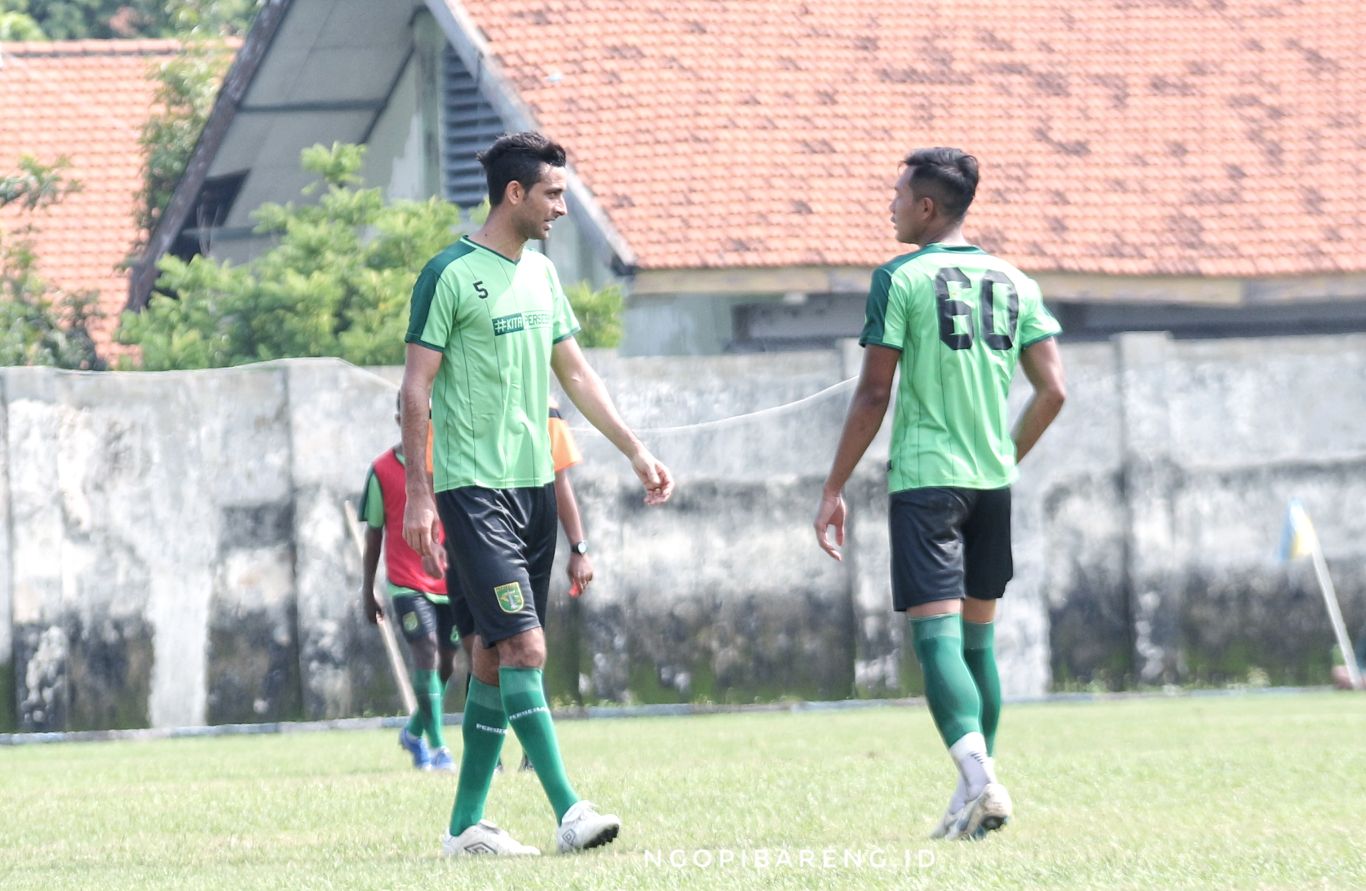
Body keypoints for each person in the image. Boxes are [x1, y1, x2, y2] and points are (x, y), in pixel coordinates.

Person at [400, 131, 673, 857]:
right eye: (552, 193)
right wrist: (419, 495)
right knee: (523, 643)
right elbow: (415, 390)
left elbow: (579, 376)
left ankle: (463, 827)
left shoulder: (544, 276)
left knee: (491, 658)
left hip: (531, 491)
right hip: (471, 489)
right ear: (514, 194)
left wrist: (635, 449)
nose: (561, 206)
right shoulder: (449, 274)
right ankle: (569, 808)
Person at [813, 147, 1066, 842]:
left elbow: (872, 391)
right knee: (978, 641)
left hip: (928, 481)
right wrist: (1004, 453)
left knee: (935, 640)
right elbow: (1054, 389)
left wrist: (834, 486)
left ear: (927, 206)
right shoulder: (1016, 280)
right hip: (993, 482)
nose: (889, 205)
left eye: (897, 194)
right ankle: (970, 795)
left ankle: (981, 779)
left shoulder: (900, 279)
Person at [358, 394, 459, 772]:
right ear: (400, 417)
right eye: (416, 413)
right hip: (406, 582)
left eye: (432, 414)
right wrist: (367, 589)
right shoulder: (382, 469)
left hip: (450, 582)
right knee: (426, 652)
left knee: (448, 664)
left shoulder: (451, 461)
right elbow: (374, 534)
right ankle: (438, 748)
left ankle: (414, 732)